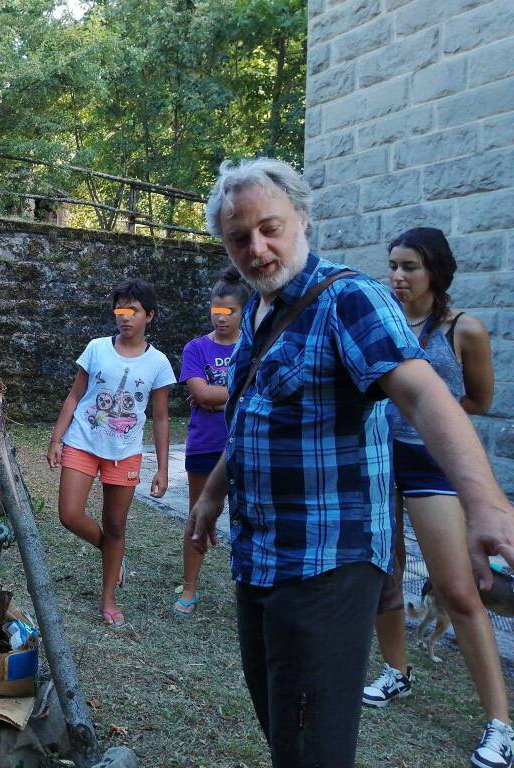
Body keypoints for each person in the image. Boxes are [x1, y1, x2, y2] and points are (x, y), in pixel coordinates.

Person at [188, 158, 514, 768]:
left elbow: (423, 395)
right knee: (283, 723)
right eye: (239, 237)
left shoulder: (349, 297)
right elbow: (254, 419)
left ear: (303, 219)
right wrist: (211, 496)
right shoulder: (259, 313)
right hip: (261, 555)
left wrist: (486, 505)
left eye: (271, 228)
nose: (256, 248)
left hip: (328, 560)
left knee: (312, 743)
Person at [361, 227, 511, 768]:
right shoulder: (380, 321)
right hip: (379, 459)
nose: (398, 277)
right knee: (384, 575)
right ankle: (396, 672)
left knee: (457, 588)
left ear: (437, 273)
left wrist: (433, 425)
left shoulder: (463, 329)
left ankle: (500, 723)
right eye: (393, 266)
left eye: (411, 268)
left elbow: (477, 398)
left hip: (431, 466)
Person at [47, 278, 173, 627]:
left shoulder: (159, 363)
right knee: (70, 514)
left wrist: (162, 469)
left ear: (150, 315)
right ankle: (113, 556)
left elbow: (161, 419)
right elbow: (75, 396)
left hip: (126, 451)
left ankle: (108, 597)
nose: (124, 317)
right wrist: (57, 438)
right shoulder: (97, 348)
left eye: (133, 311)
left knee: (115, 525)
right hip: (83, 441)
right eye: (120, 310)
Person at [174, 267, 251, 618]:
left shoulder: (254, 348)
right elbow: (201, 394)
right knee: (198, 517)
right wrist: (234, 394)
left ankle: (250, 594)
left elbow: (261, 388)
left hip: (247, 445)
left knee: (249, 519)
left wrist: (218, 397)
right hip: (205, 445)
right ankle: (189, 589)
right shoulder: (195, 348)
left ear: (243, 312)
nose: (221, 318)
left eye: (229, 312)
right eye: (216, 311)